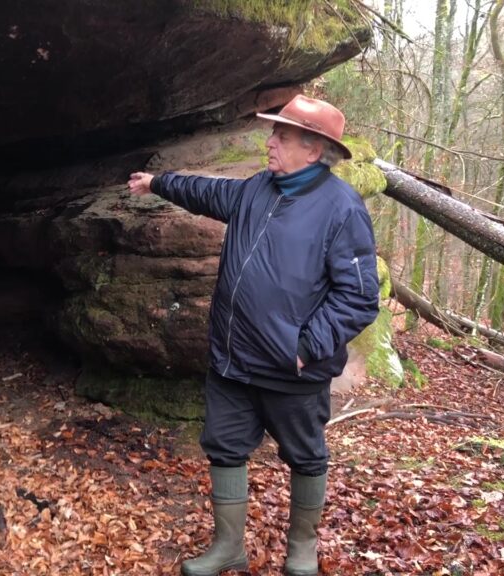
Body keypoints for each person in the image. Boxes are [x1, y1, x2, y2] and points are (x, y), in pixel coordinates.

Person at [128, 94, 379, 576]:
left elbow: (359, 296)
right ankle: (229, 548)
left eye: (281, 136)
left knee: (305, 456)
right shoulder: (257, 190)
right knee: (224, 446)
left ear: (313, 149)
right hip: (232, 360)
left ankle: (301, 548)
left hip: (292, 370)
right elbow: (207, 193)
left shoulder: (342, 208)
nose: (270, 143)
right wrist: (158, 182)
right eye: (273, 134)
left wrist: (305, 349)